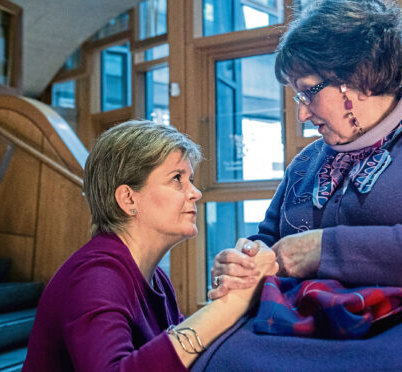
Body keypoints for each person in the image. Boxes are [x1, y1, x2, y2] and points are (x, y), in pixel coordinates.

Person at [204, 0, 402, 370]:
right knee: (220, 355)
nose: (302, 113)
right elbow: (268, 240)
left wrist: (324, 249)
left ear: (360, 78)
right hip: (318, 318)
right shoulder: (307, 162)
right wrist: (244, 260)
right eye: (297, 95)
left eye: (308, 91)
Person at [22, 120, 277, 372]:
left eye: (191, 179)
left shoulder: (157, 279)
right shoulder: (96, 275)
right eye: (177, 178)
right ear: (128, 198)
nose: (196, 192)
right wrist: (230, 305)